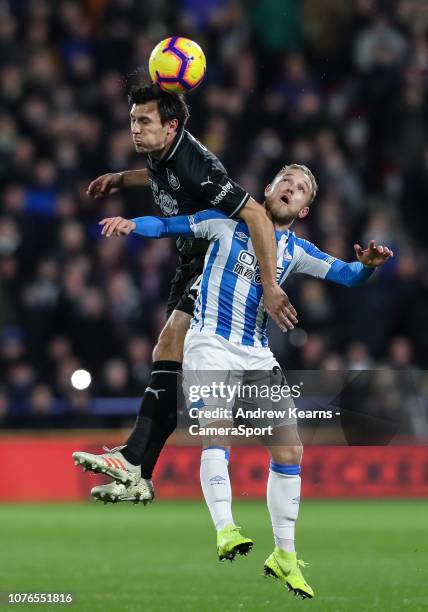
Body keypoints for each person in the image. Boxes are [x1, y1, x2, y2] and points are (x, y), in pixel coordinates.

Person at [88, 164, 393, 599]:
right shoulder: (225, 222)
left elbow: (346, 274)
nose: (292, 187)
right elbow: (168, 225)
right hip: (209, 343)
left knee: (290, 449)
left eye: (302, 188)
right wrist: (130, 224)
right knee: (218, 431)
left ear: (305, 209)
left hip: (256, 354)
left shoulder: (296, 250)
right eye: (286, 180)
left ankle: (284, 555)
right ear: (268, 189)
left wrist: (367, 267)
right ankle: (226, 528)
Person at [73, 83, 297, 500]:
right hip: (188, 261)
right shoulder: (160, 153)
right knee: (166, 355)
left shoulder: (198, 164)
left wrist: (269, 285)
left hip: (216, 261)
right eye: (132, 121)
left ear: (171, 126)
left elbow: (256, 217)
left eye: (144, 121)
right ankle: (138, 469)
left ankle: (135, 458)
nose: (135, 130)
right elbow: (162, 178)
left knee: (171, 342)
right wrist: (122, 179)